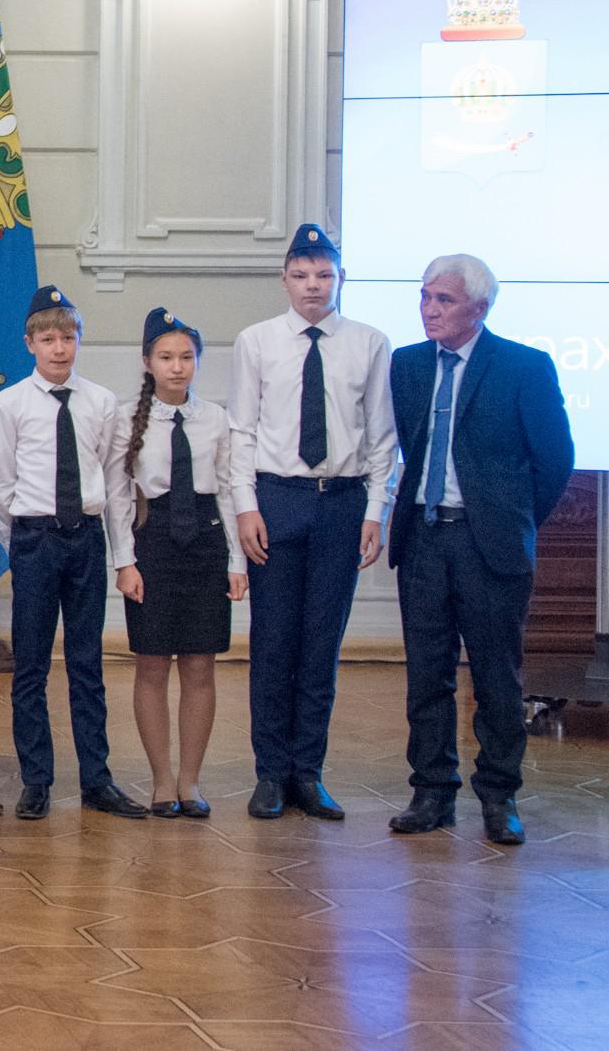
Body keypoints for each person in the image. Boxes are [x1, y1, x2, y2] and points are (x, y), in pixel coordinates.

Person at [385, 255, 572, 846]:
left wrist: (510, 521)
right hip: (423, 538)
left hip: (488, 543)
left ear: (479, 309)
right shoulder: (407, 366)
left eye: (442, 300)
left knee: (496, 676)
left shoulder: (524, 366)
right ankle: (432, 792)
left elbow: (554, 461)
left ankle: (498, 795)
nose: (428, 309)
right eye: (424, 297)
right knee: (426, 675)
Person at [228, 224, 394, 822]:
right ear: (284, 280)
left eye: (324, 275)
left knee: (321, 645)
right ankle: (270, 773)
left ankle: (308, 772)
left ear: (340, 278)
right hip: (277, 499)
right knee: (273, 643)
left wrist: (375, 511)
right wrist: (245, 506)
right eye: (301, 275)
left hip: (342, 505)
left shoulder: (369, 343)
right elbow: (241, 431)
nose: (313, 286)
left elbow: (382, 438)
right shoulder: (258, 342)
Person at [0, 284, 146, 821]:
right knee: (30, 665)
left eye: (69, 338)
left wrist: (121, 554)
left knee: (87, 664)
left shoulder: (101, 403)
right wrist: (19, 547)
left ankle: (96, 780)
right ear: (30, 342)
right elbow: (3, 483)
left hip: (85, 538)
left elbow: (114, 480)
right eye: (48, 338)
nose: (59, 349)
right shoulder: (8, 405)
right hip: (35, 539)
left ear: (79, 341)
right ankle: (37, 779)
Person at [106, 307, 248, 820]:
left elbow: (230, 491)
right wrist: (124, 561)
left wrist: (236, 561)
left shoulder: (215, 418)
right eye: (165, 357)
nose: (177, 367)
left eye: (187, 357)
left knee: (200, 664)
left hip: (206, 543)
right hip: (154, 542)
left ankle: (191, 780)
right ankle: (162, 780)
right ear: (147, 361)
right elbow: (119, 496)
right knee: (151, 663)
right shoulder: (126, 419)